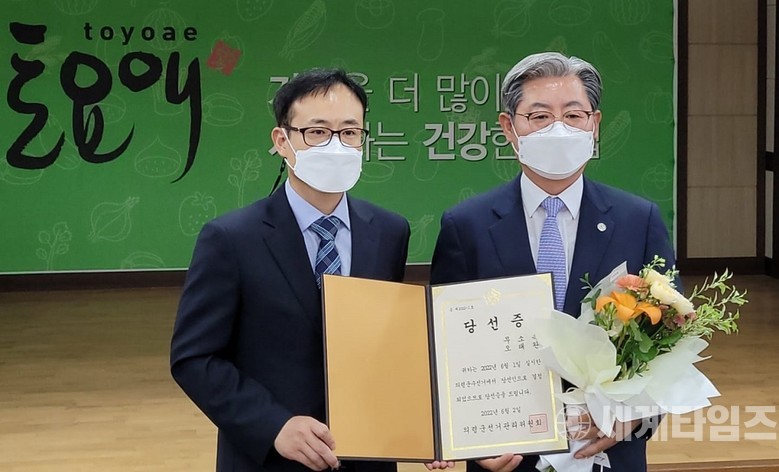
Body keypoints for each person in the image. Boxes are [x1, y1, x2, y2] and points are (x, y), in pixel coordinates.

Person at [430, 52, 676, 472]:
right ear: (509, 127)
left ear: (595, 125)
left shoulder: (639, 219)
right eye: (539, 116)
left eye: (573, 115)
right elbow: (445, 346)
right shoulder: (466, 225)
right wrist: (466, 442)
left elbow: (669, 335)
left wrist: (633, 416)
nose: (558, 129)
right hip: (506, 454)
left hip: (607, 450)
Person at [170, 68, 411, 472]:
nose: (336, 145)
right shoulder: (231, 238)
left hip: (368, 455)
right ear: (282, 141)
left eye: (350, 132)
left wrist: (428, 427)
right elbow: (194, 358)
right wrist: (273, 425)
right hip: (271, 458)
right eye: (317, 132)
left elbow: (389, 345)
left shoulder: (389, 231)